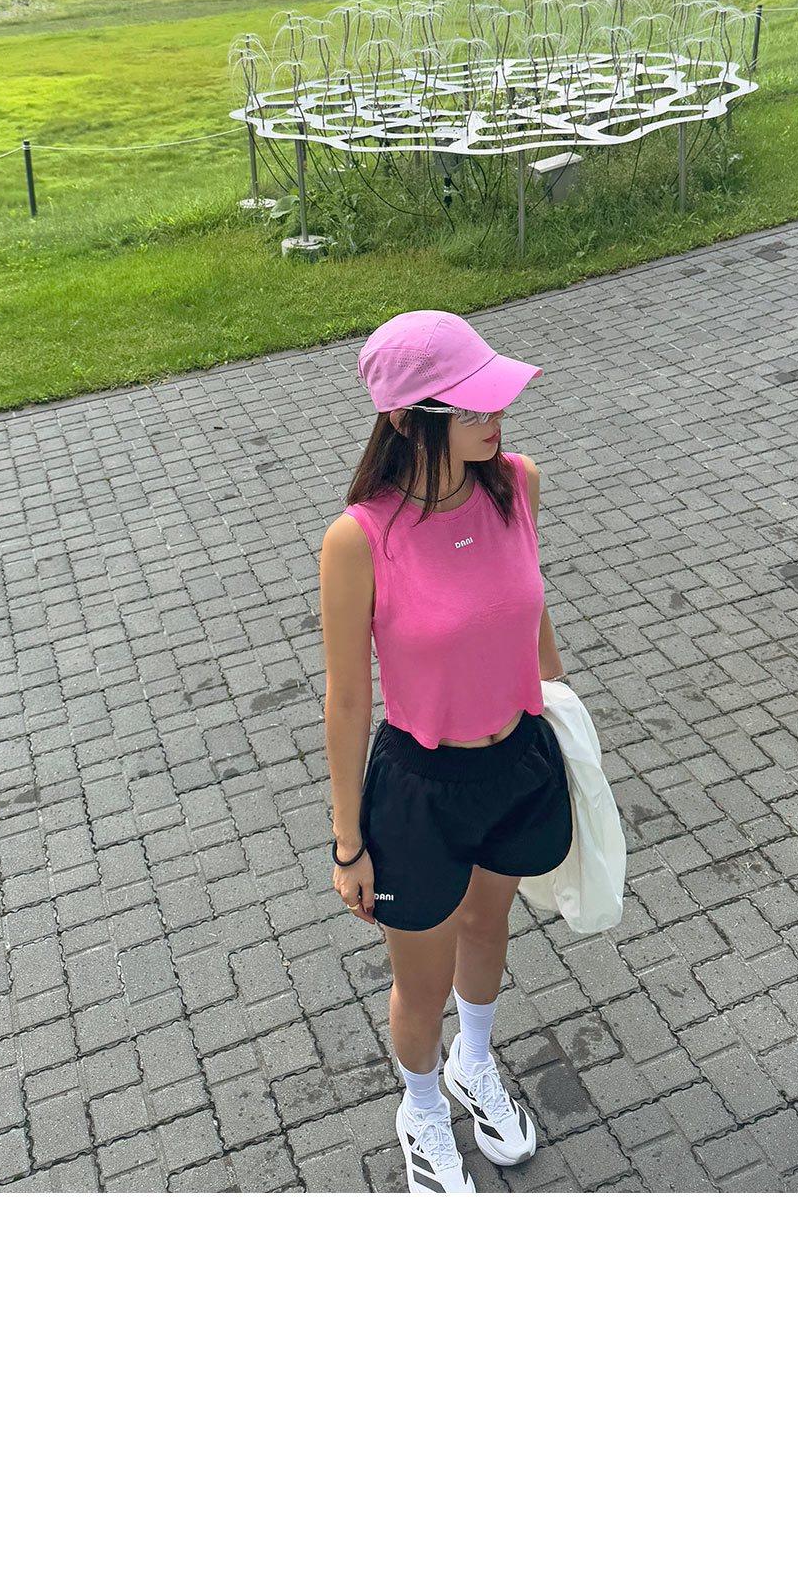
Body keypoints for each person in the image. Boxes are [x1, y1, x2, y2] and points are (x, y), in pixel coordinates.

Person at [319, 304, 573, 1196]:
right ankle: (421, 1105)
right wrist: (348, 842)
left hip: (517, 765)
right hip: (420, 788)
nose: (494, 416)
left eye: (492, 397)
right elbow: (347, 699)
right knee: (419, 983)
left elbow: (532, 611)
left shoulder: (517, 484)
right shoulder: (359, 539)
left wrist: (561, 712)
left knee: (487, 926)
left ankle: (474, 1062)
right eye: (469, 407)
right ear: (405, 419)